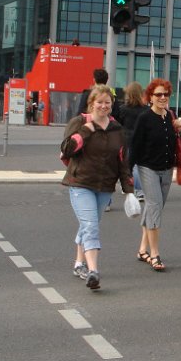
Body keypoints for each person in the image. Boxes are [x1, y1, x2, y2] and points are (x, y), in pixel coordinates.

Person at [61, 84, 132, 290]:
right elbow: (66, 149)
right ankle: (93, 271)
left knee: (88, 224)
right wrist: (85, 131)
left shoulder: (116, 129)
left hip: (104, 186)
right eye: (99, 102)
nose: (103, 106)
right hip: (80, 183)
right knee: (91, 226)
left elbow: (122, 161)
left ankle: (78, 264)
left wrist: (129, 191)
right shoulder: (79, 122)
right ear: (91, 103)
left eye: (107, 103)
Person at [129, 78, 181, 272]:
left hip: (167, 169)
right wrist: (127, 171)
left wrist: (178, 128)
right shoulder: (144, 118)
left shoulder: (169, 116)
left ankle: (142, 250)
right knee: (153, 206)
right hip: (147, 168)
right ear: (150, 96)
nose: (162, 97)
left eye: (165, 94)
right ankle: (155, 254)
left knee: (155, 209)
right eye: (158, 94)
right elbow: (134, 146)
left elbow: (171, 144)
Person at [117, 81, 149, 200]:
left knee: (126, 165)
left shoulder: (123, 109)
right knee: (138, 166)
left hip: (126, 139)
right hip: (142, 140)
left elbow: (119, 124)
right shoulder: (146, 110)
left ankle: (127, 186)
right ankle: (139, 191)